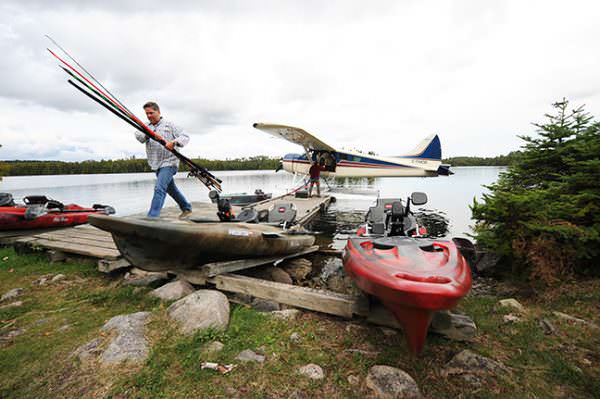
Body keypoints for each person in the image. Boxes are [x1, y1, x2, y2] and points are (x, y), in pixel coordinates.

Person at [135, 101, 192, 219]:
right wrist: (149, 135)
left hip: (170, 162)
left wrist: (174, 142)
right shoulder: (146, 127)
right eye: (147, 114)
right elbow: (138, 136)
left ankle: (152, 217)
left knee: (159, 188)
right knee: (171, 189)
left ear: (158, 111)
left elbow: (185, 136)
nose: (149, 116)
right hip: (155, 163)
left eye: (151, 113)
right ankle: (186, 207)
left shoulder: (169, 125)